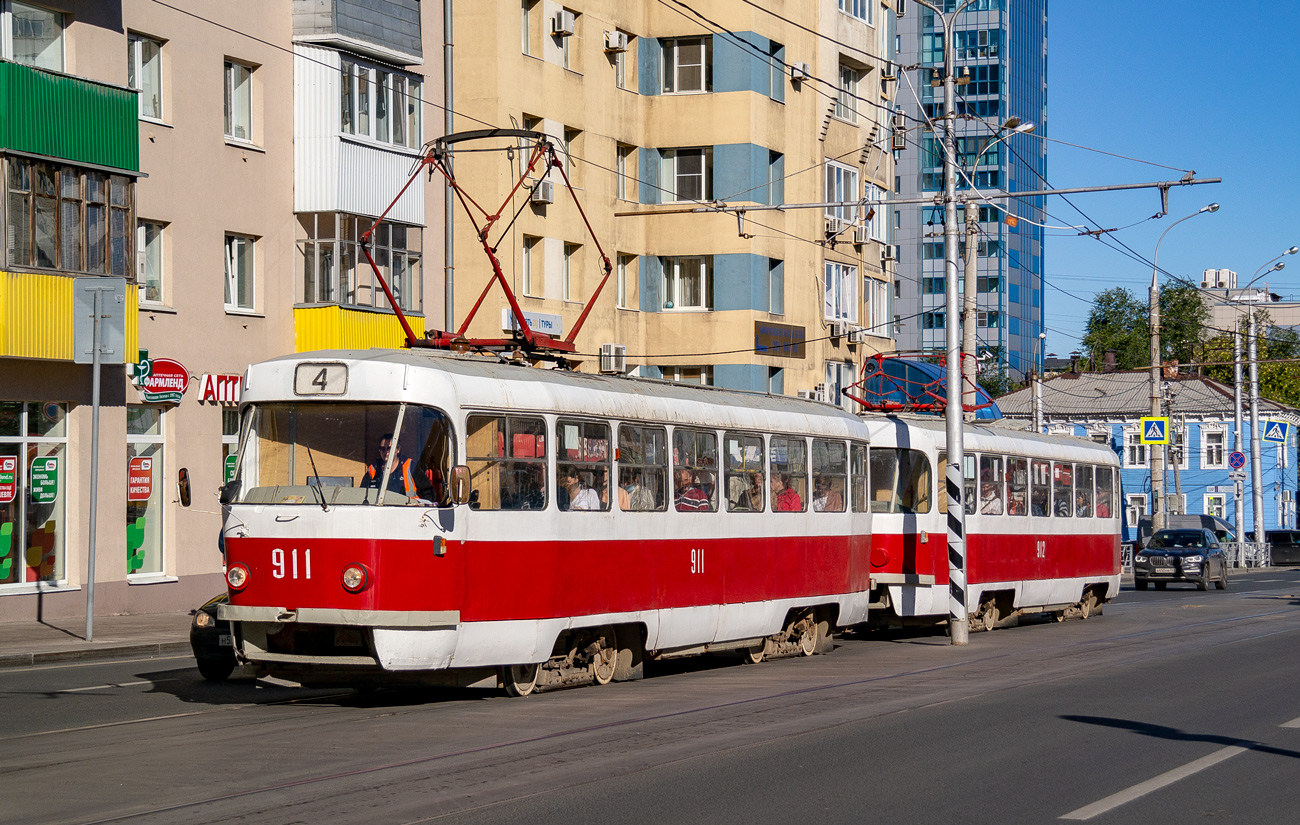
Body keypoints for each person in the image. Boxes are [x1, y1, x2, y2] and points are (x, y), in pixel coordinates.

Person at [361, 433, 436, 502]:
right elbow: (361, 494)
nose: (386, 452)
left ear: (398, 449)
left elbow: (429, 493)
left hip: (407, 512)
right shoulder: (373, 469)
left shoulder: (410, 466)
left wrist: (422, 505)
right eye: (383, 449)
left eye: (390, 448)